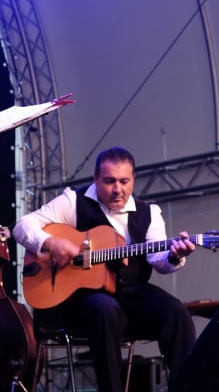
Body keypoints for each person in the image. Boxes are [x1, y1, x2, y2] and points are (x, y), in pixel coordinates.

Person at [13, 146, 197, 390]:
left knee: (176, 313)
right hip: (81, 301)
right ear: (96, 179)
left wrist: (174, 257)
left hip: (132, 296)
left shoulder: (148, 213)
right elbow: (22, 225)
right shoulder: (73, 202)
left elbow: (158, 259)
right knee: (104, 309)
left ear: (133, 180)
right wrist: (50, 242)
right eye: (109, 181)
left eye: (124, 181)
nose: (117, 189)